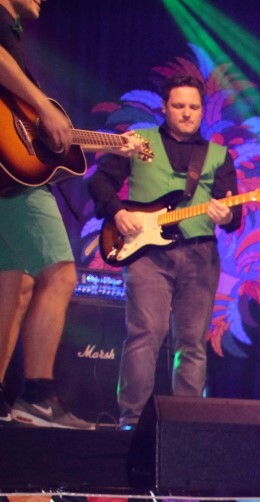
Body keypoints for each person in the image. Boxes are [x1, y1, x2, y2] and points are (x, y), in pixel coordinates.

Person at [0, 0, 135, 428]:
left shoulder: (14, 33)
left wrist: (114, 144)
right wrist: (43, 105)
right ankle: (38, 396)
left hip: (11, 177)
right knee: (60, 275)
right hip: (18, 182)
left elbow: (51, 138)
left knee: (15, 285)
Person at [90, 74, 241, 427]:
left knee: (192, 344)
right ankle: (132, 421)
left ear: (202, 109)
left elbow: (233, 217)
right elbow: (99, 182)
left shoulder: (218, 155)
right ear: (164, 107)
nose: (187, 113)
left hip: (200, 255)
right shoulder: (138, 141)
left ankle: (186, 425)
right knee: (145, 334)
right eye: (179, 106)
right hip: (147, 255)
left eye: (194, 107)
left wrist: (227, 215)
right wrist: (118, 212)